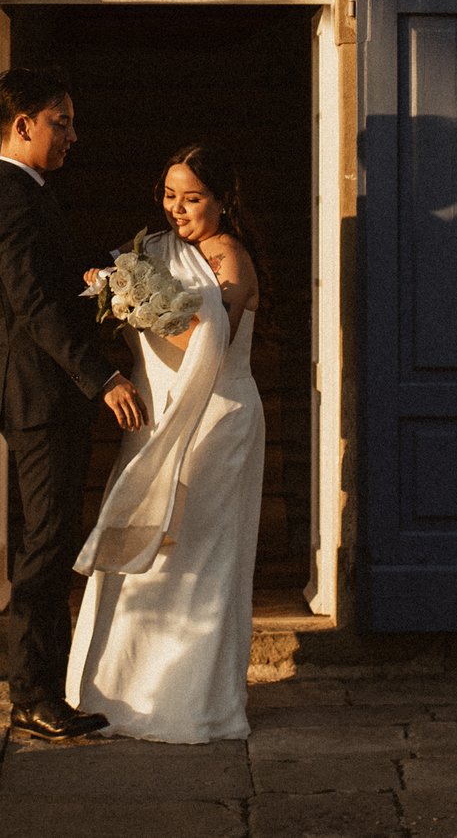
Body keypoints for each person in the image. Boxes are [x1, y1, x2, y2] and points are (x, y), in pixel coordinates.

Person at [65, 143, 264, 743]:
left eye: (193, 198)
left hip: (218, 418)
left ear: (222, 200)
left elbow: (212, 343)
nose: (177, 209)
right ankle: (122, 692)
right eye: (170, 196)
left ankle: (192, 701)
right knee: (144, 546)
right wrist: (112, 285)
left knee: (199, 556)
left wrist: (131, 302)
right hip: (159, 414)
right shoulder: (153, 250)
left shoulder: (231, 258)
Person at [0, 66, 147, 741]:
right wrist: (101, 378)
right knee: (45, 546)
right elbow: (35, 309)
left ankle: (53, 686)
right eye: (62, 121)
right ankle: (31, 693)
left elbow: (56, 286)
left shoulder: (32, 191)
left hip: (51, 396)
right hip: (40, 399)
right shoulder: (11, 200)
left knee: (55, 539)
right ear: (24, 125)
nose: (73, 135)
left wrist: (115, 273)